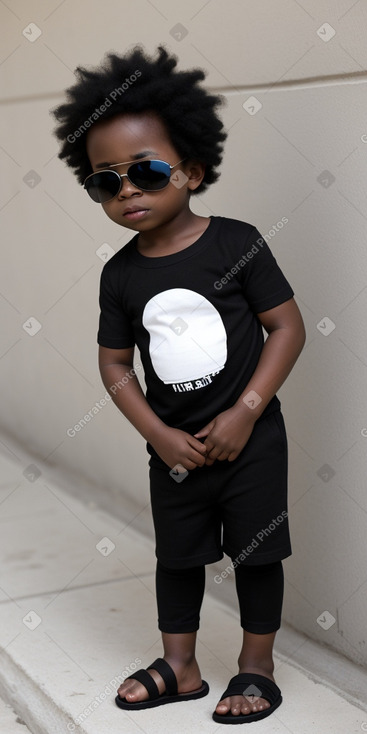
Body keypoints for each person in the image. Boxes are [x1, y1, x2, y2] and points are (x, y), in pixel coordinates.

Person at [51, 44, 306, 724]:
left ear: (191, 170)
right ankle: (182, 665)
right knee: (177, 558)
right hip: (174, 452)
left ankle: (256, 666)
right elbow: (114, 366)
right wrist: (160, 436)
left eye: (147, 171)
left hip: (250, 442)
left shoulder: (237, 243)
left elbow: (286, 329)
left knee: (257, 554)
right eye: (107, 181)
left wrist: (246, 412)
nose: (127, 189)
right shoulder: (121, 276)